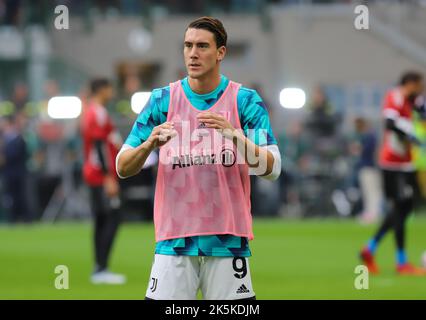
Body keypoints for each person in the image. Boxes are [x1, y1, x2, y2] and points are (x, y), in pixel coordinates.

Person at [117, 16, 281, 300]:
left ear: (221, 53)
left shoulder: (244, 101)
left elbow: (271, 168)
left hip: (227, 240)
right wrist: (149, 145)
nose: (193, 53)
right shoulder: (162, 100)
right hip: (174, 240)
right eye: (188, 45)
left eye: (202, 46)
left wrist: (233, 135)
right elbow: (122, 167)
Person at [360, 71, 426, 275]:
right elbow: (389, 123)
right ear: (410, 83)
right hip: (392, 165)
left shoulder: (410, 101)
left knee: (403, 210)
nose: (421, 88)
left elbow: (420, 113)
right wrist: (412, 137)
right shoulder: (395, 96)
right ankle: (401, 262)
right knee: (400, 209)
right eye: (419, 85)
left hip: (406, 164)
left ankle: (369, 248)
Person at [81, 78, 126, 284]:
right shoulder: (97, 112)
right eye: (109, 88)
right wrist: (109, 176)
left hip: (95, 174)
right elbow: (99, 145)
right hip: (101, 175)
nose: (112, 92)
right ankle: (102, 268)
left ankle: (99, 268)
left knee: (101, 219)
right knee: (112, 218)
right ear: (102, 90)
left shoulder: (93, 111)